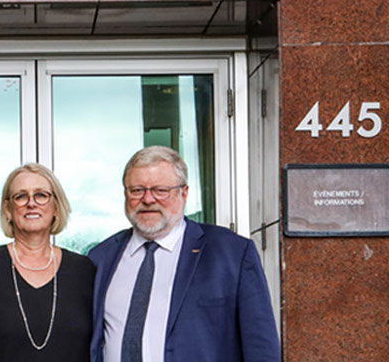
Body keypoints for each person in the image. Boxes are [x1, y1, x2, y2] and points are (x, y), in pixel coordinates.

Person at [89, 146, 281, 362]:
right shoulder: (101, 257)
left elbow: (261, 347)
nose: (148, 199)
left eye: (160, 190)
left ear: (184, 193)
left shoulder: (231, 253)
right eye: (137, 190)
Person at [0, 163, 95, 362]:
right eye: (21, 196)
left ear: (56, 208)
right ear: (8, 210)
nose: (31, 203)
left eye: (41, 195)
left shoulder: (84, 271)